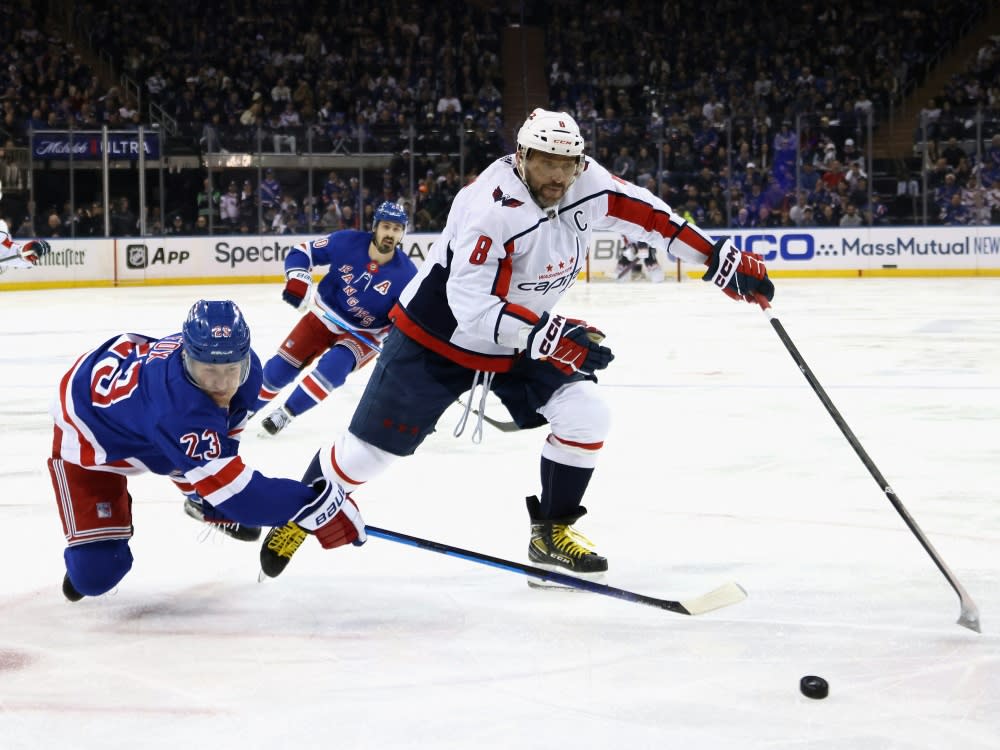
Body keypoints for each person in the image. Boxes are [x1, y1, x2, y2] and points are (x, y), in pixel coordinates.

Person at [257, 108, 774, 583]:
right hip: (438, 335)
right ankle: (302, 512)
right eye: (546, 162)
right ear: (522, 157)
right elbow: (471, 307)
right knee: (367, 457)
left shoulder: (586, 183)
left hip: (522, 334)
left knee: (587, 415)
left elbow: (651, 216)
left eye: (566, 164)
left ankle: (550, 533)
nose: (557, 176)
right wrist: (550, 335)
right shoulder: (489, 207)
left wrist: (716, 257)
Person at [49, 299, 365, 601]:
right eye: (208, 371)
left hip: (146, 418)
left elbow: (225, 436)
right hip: (90, 430)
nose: (222, 384)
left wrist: (220, 488)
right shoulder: (178, 410)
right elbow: (244, 499)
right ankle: (92, 556)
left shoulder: (249, 369)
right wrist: (315, 505)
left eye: (231, 370)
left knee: (202, 462)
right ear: (187, 357)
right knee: (96, 575)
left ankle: (201, 496)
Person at [254, 201, 417, 435]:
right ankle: (243, 411)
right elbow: (303, 252)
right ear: (375, 227)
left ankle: (286, 413)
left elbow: (403, 321)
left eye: (396, 229)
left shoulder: (408, 276)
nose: (390, 234)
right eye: (386, 227)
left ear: (402, 233)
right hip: (324, 315)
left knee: (334, 367)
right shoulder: (346, 241)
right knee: (278, 370)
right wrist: (299, 279)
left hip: (364, 334)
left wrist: (399, 346)